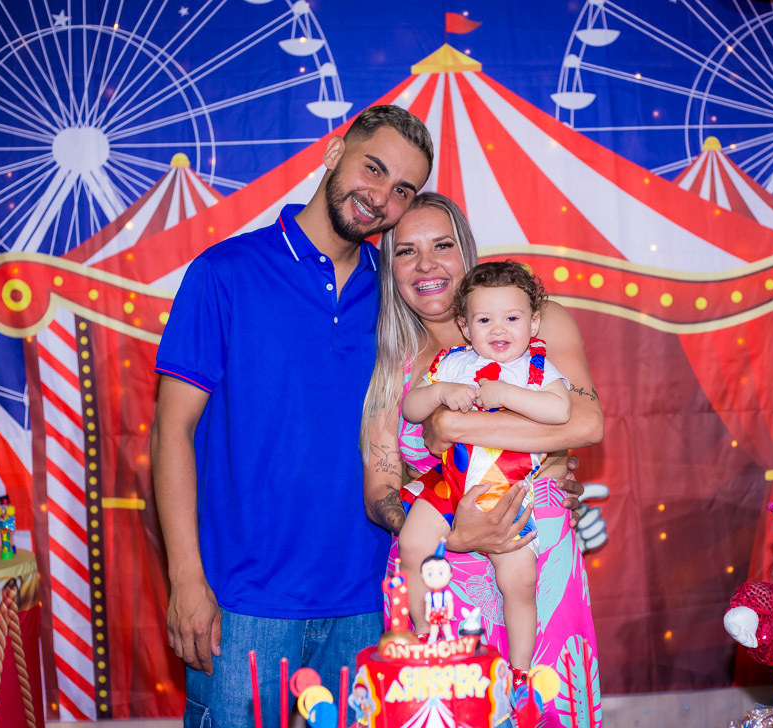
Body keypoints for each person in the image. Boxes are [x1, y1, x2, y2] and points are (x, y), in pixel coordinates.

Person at [151, 105, 434, 727]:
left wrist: (544, 472)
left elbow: (464, 388)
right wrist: (186, 577)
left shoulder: (398, 296)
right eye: (373, 168)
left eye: (402, 190)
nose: (381, 197)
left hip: (370, 602)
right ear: (334, 153)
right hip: (241, 604)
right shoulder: (224, 273)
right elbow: (173, 429)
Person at [360, 192, 604, 720]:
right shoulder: (395, 365)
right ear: (389, 269)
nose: (426, 264)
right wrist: (455, 536)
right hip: (439, 566)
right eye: (405, 251)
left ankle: (522, 673)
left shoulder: (538, 322)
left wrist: (453, 425)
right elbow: (380, 489)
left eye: (442, 245)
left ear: (466, 252)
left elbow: (585, 423)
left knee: (543, 705)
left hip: (532, 548)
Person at [400, 260, 572, 678]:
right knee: (412, 542)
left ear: (533, 323)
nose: (498, 329)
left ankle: (520, 668)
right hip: (448, 482)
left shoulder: (536, 369)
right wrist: (440, 392)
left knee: (519, 579)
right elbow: (411, 408)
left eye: (511, 318)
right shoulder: (452, 363)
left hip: (507, 489)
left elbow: (561, 411)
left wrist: (508, 394)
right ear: (464, 325)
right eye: (484, 320)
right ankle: (420, 635)